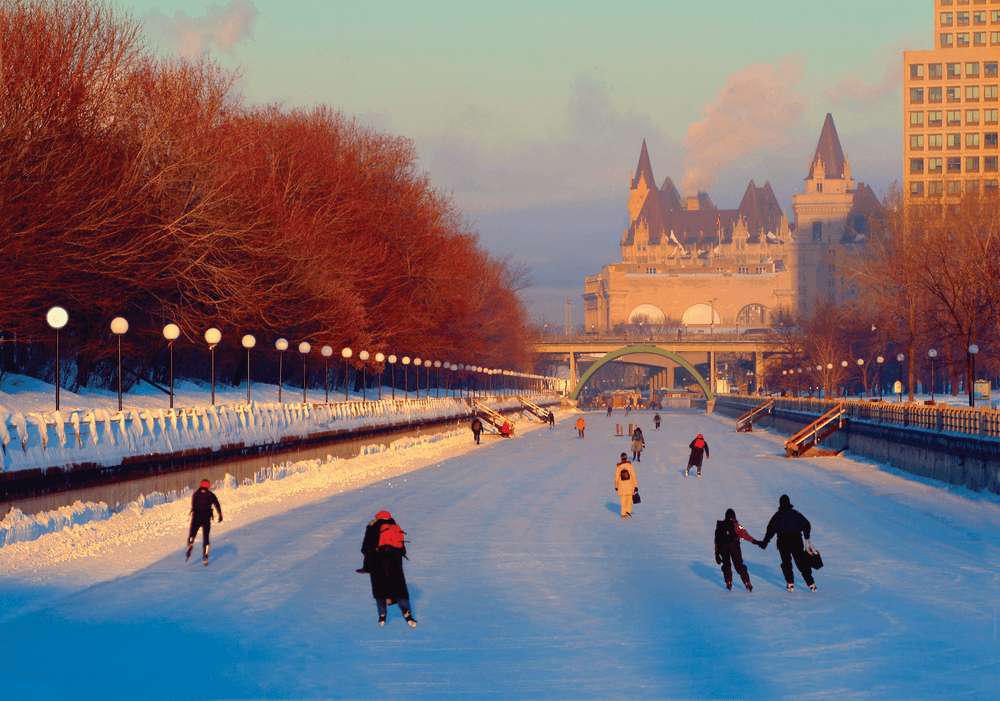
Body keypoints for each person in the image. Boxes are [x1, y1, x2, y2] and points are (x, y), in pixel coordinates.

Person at [360, 510, 418, 627]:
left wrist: (367, 561)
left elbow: (366, 547)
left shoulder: (373, 527)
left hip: (378, 561)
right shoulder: (395, 527)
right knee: (398, 587)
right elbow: (402, 548)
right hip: (395, 561)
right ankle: (406, 612)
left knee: (380, 588)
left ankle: (382, 616)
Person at [758, 494, 817, 593]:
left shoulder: (777, 515)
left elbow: (770, 529)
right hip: (796, 540)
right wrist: (806, 535)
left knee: (786, 563)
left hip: (783, 542)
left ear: (780, 504)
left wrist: (765, 542)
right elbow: (807, 524)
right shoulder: (796, 513)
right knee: (801, 563)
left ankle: (790, 583)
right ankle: (811, 584)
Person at [714, 508, 759, 592]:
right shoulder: (735, 525)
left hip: (723, 547)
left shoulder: (720, 526)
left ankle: (728, 582)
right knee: (739, 565)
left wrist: (716, 553)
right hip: (734, 546)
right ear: (734, 516)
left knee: (726, 565)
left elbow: (716, 540)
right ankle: (747, 582)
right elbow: (744, 534)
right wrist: (754, 541)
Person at [186, 479, 222, 565]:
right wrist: (220, 514)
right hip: (206, 518)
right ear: (208, 486)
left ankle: (191, 542)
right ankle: (205, 556)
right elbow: (217, 504)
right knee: (206, 537)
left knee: (192, 533)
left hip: (196, 517)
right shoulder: (211, 495)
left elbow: (193, 505)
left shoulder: (196, 494)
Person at [614, 452, 637, 518]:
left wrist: (616, 486)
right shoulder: (630, 466)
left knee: (623, 500)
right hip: (630, 485)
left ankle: (623, 513)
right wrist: (636, 486)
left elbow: (616, 478)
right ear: (626, 457)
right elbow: (633, 476)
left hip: (621, 486)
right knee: (629, 499)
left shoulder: (618, 467)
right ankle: (628, 512)